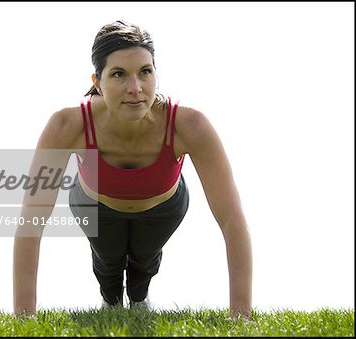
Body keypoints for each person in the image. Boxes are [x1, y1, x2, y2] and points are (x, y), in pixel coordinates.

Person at [13, 20, 252, 319]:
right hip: (94, 204)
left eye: (145, 72)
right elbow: (31, 218)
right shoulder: (66, 125)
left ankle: (139, 297)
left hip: (163, 208)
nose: (135, 88)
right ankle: (111, 299)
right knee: (108, 262)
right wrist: (24, 317)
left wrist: (240, 316)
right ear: (97, 81)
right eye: (119, 75)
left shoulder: (189, 125)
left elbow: (232, 218)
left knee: (145, 261)